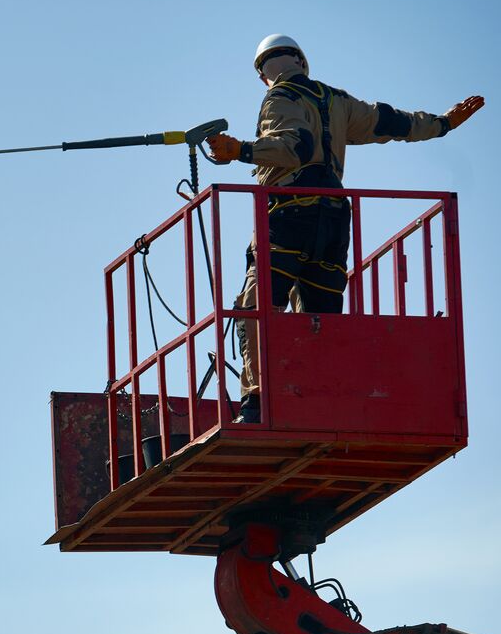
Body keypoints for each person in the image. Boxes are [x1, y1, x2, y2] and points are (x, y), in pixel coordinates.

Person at [206, 34, 484, 423]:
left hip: (289, 216)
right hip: (334, 221)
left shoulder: (278, 98)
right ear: (303, 60)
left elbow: (296, 147)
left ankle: (256, 402)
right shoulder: (336, 101)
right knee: (321, 319)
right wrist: (442, 124)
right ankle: (317, 402)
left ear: (262, 76)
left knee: (256, 309)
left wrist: (243, 151)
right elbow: (392, 121)